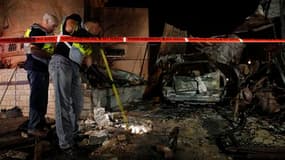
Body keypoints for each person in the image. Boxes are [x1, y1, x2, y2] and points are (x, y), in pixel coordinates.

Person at [49, 13, 93, 155]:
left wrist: (91, 69)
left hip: (74, 67)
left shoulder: (83, 39)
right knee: (63, 103)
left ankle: (72, 135)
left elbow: (88, 57)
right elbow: (69, 26)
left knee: (77, 103)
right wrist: (87, 34)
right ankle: (65, 144)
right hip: (61, 62)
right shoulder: (73, 20)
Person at [24, 13, 58, 137]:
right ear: (46, 21)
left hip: (38, 68)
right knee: (38, 98)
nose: (54, 29)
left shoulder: (35, 30)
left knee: (41, 98)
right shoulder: (38, 31)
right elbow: (33, 50)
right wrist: (51, 56)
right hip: (37, 68)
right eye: (53, 26)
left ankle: (39, 124)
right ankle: (34, 127)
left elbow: (30, 49)